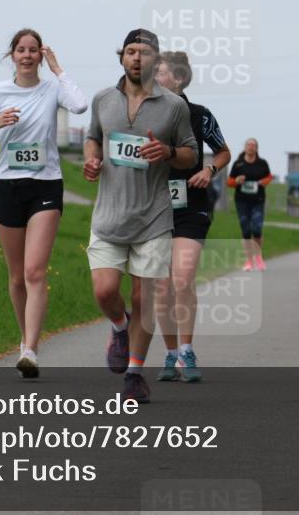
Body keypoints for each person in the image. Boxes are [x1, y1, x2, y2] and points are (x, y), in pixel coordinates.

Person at [83, 29, 197, 403]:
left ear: (155, 60)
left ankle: (134, 373)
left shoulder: (174, 107)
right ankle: (119, 327)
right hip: (109, 216)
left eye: (144, 53)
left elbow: (191, 155)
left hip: (153, 216)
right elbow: (93, 136)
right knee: (105, 291)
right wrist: (91, 158)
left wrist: (165, 151)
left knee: (145, 298)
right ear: (121, 58)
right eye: (130, 52)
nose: (136, 58)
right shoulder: (103, 99)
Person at [0, 28, 87, 379]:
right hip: (7, 186)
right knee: (17, 276)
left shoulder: (52, 89)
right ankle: (24, 340)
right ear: (12, 55)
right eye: (21, 50)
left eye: (34, 50)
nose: (27, 55)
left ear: (40, 55)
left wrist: (59, 68)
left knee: (36, 271)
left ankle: (32, 350)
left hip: (46, 185)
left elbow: (80, 105)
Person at [139, 52, 231, 384]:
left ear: (178, 79)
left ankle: (188, 350)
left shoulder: (199, 115)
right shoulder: (143, 113)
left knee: (182, 278)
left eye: (159, 73)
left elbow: (223, 151)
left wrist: (210, 170)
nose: (153, 79)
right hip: (155, 208)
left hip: (192, 205)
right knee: (162, 286)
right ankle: (171, 352)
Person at [228, 139, 272, 271]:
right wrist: (236, 181)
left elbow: (269, 177)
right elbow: (229, 182)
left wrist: (263, 182)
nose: (251, 147)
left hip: (258, 200)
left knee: (257, 229)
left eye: (253, 145)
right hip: (242, 201)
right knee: (246, 231)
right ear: (245, 147)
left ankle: (258, 258)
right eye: (248, 145)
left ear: (256, 148)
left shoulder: (262, 163)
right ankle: (248, 260)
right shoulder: (238, 164)